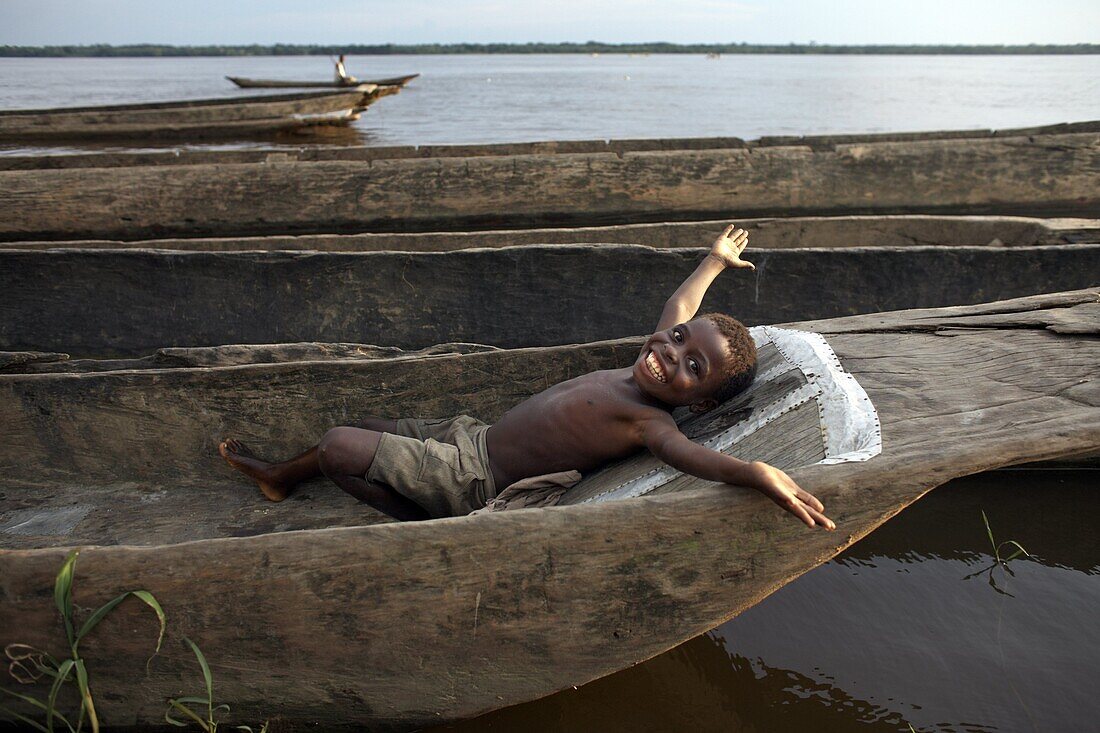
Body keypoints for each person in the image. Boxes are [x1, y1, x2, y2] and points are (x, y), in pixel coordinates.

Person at [219, 226, 835, 530]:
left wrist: (752, 473)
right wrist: (713, 262)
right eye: (678, 343)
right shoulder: (645, 367)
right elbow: (680, 309)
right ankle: (285, 477)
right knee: (367, 428)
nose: (671, 353)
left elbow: (692, 458)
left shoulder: (650, 421)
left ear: (696, 404)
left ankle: (420, 519)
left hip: (473, 478)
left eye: (691, 367)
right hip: (471, 436)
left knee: (337, 446)